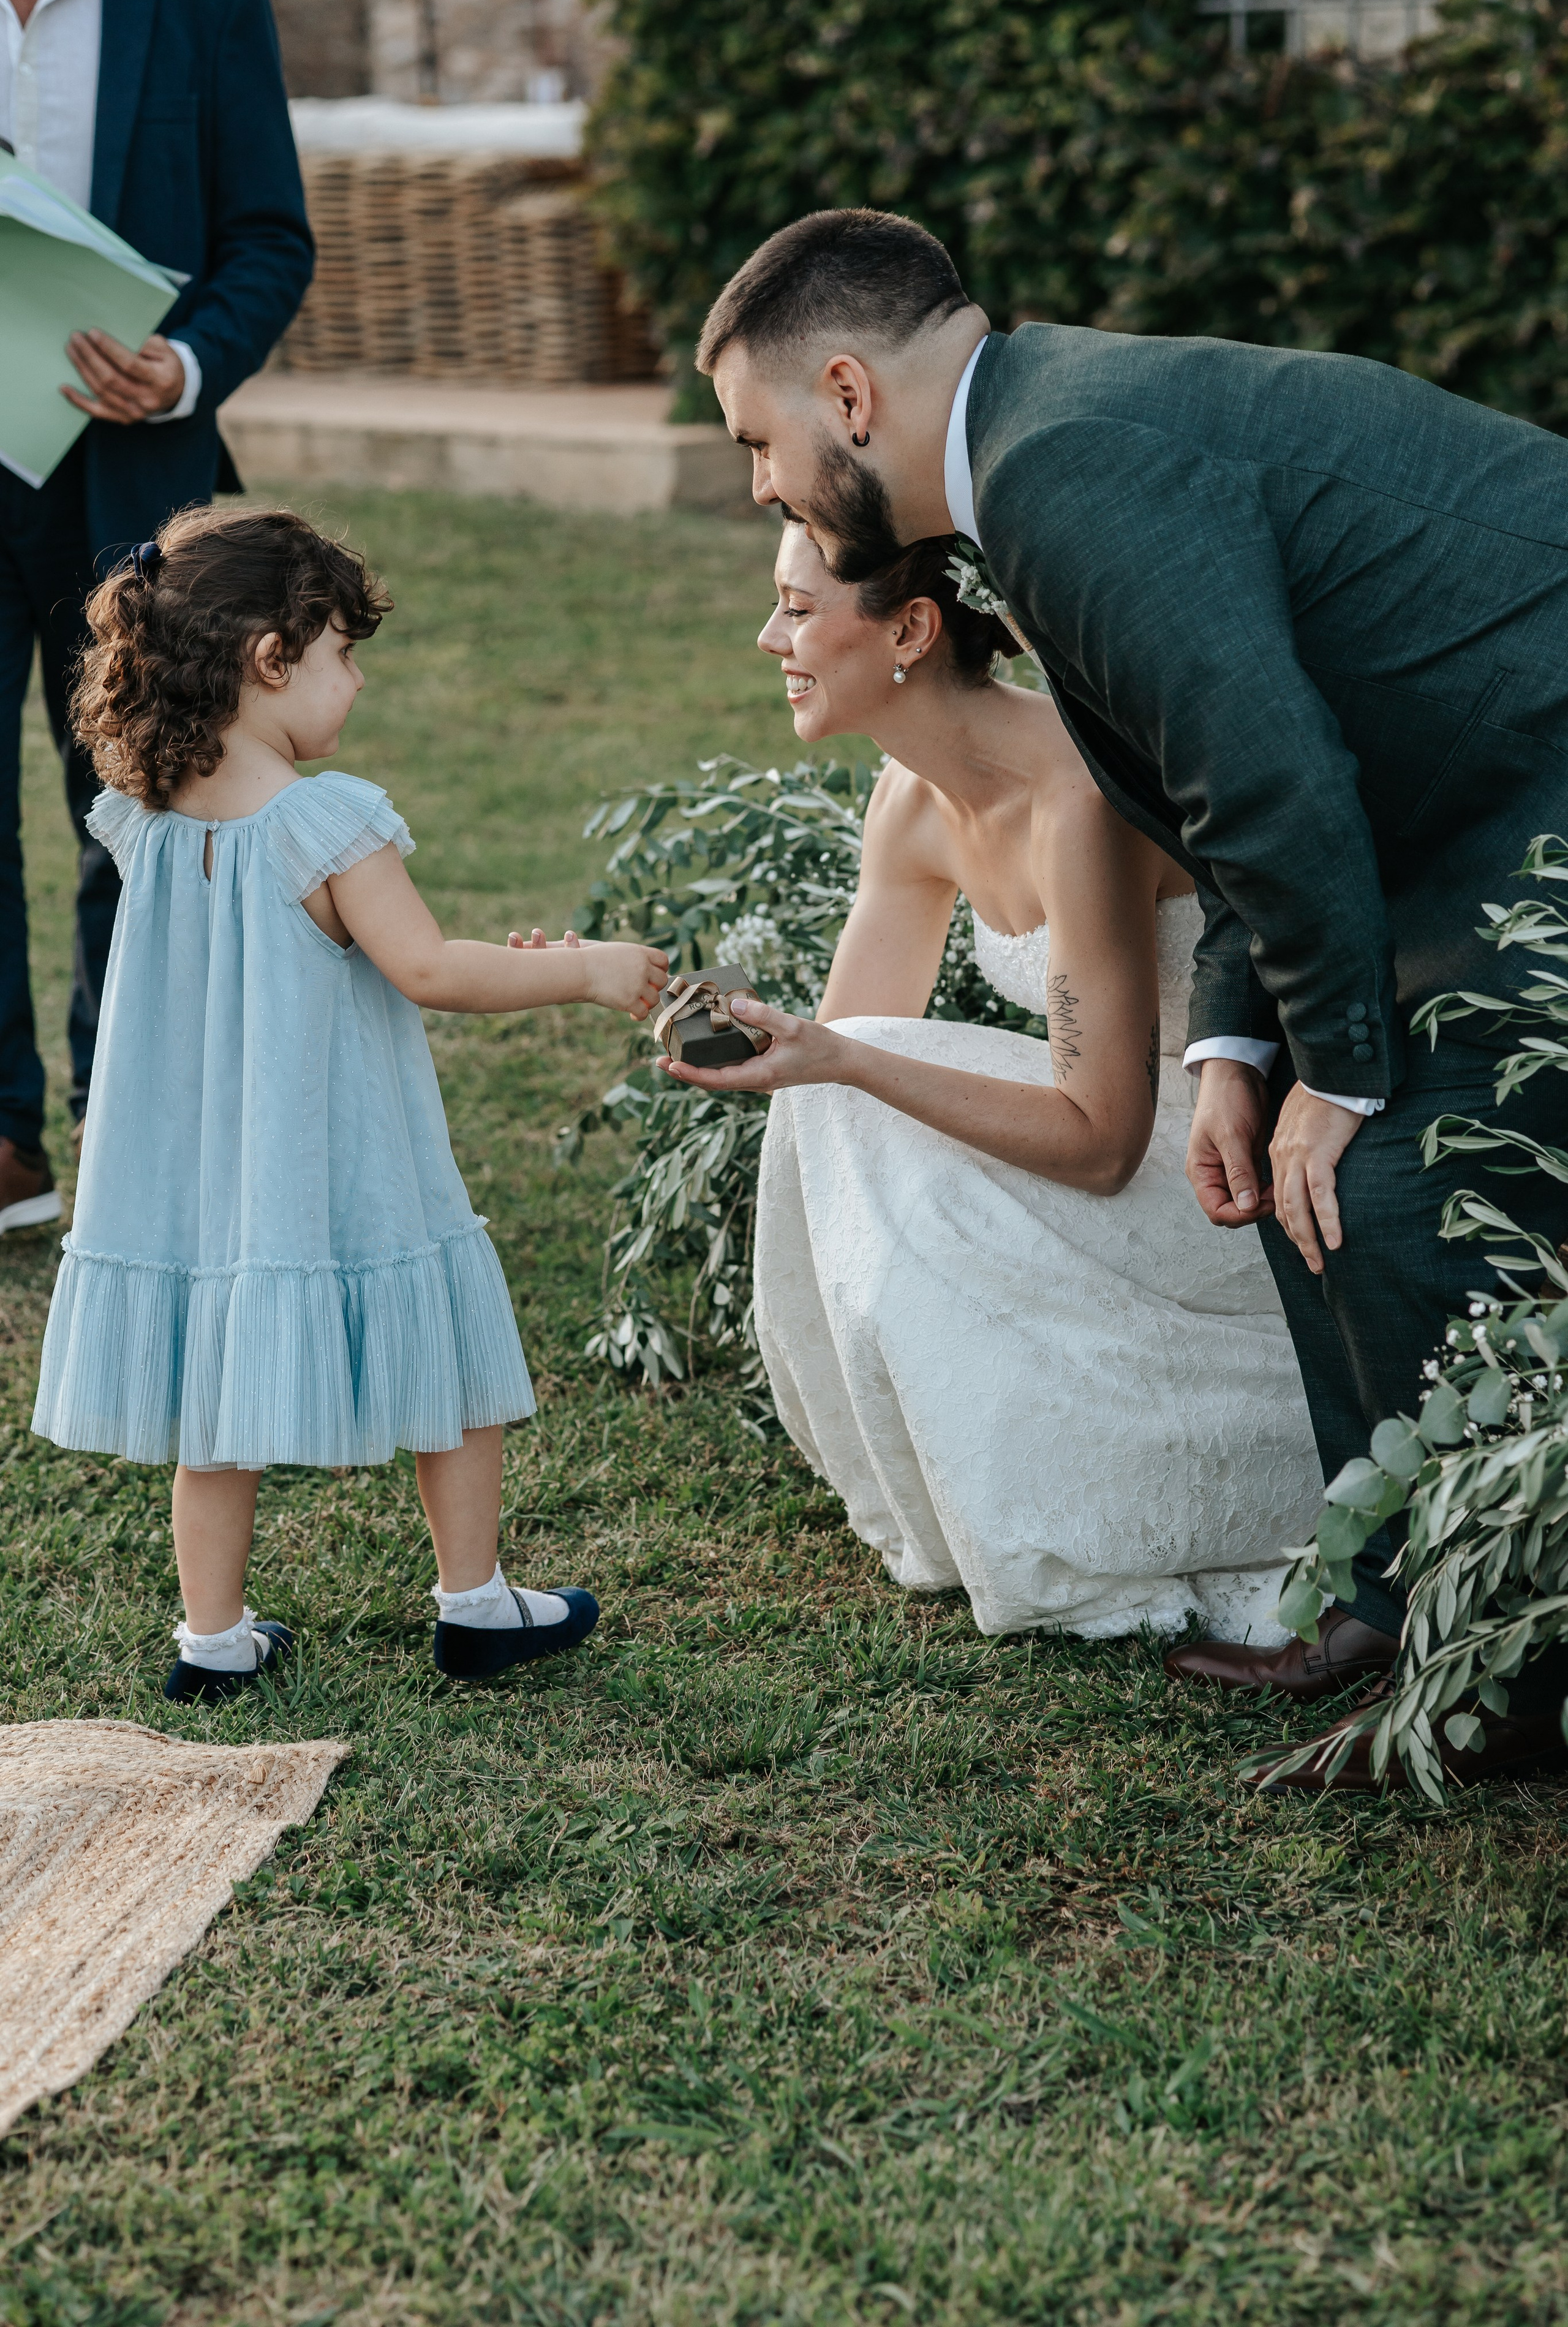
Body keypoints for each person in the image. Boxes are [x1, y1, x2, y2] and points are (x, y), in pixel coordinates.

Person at [692, 207, 1568, 1787]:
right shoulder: (1033, 457)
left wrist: (1335, 1071)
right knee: (1290, 1168)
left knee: (1381, 1176)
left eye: (758, 440)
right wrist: (1232, 1048)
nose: (761, 482)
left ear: (845, 396)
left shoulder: (1061, 469)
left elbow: (1273, 784)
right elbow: (1209, 788)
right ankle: (1377, 1602)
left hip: (1525, 774)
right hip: (1451, 804)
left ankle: (1495, 1674)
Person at [31, 506, 669, 1700]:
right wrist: (585, 970)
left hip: (206, 1167)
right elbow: (429, 968)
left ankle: (214, 1643)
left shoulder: (146, 820)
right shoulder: (326, 825)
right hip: (341, 1152)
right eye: (342, 653)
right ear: (271, 659)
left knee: (213, 1407)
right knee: (450, 1369)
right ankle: (475, 1606)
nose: (357, 681)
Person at [659, 520, 1321, 1642]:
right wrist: (741, 1033)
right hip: (1139, 1142)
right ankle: (960, 1484)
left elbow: (1101, 1142)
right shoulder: (910, 798)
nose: (770, 638)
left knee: (864, 1082)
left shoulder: (1078, 799)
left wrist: (842, 1057)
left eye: (799, 609)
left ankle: (1102, 1497)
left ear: (911, 630)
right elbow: (845, 1051)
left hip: (1235, 1164)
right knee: (838, 1103)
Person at [0, 0, 312, 1224]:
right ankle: (4, 1141)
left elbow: (270, 237)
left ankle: (129, 1126)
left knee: (137, 800)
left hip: (134, 478)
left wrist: (184, 364)